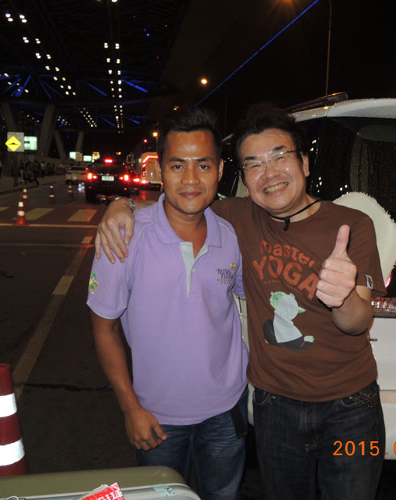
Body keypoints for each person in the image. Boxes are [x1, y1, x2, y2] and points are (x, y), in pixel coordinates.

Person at [96, 104, 387, 500]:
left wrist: (343, 298)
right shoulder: (236, 217)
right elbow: (181, 202)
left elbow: (357, 322)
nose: (269, 173)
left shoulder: (351, 225)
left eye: (279, 157)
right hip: (274, 404)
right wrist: (121, 205)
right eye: (254, 164)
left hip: (350, 405)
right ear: (242, 178)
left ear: (304, 162)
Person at [87, 107, 248, 500]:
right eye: (178, 166)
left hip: (227, 410)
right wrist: (130, 408)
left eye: (203, 165)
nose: (191, 179)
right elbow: (103, 327)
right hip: (156, 417)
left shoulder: (230, 237)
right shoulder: (124, 238)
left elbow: (247, 303)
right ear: (159, 170)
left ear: (220, 170)